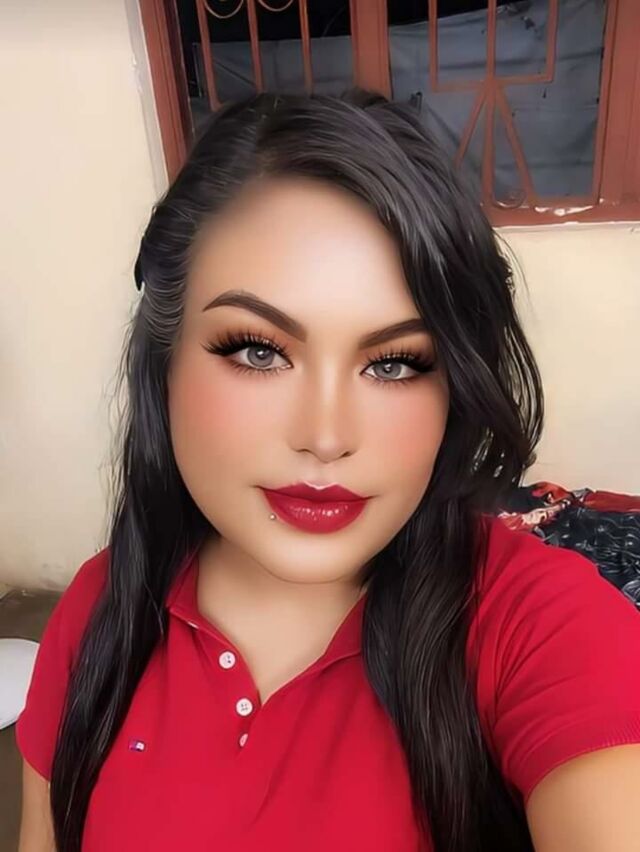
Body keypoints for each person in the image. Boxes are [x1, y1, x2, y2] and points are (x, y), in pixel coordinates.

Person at [16, 89, 640, 852]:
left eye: (395, 363)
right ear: (165, 365)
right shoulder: (99, 609)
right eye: (258, 351)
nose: (325, 437)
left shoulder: (536, 627)